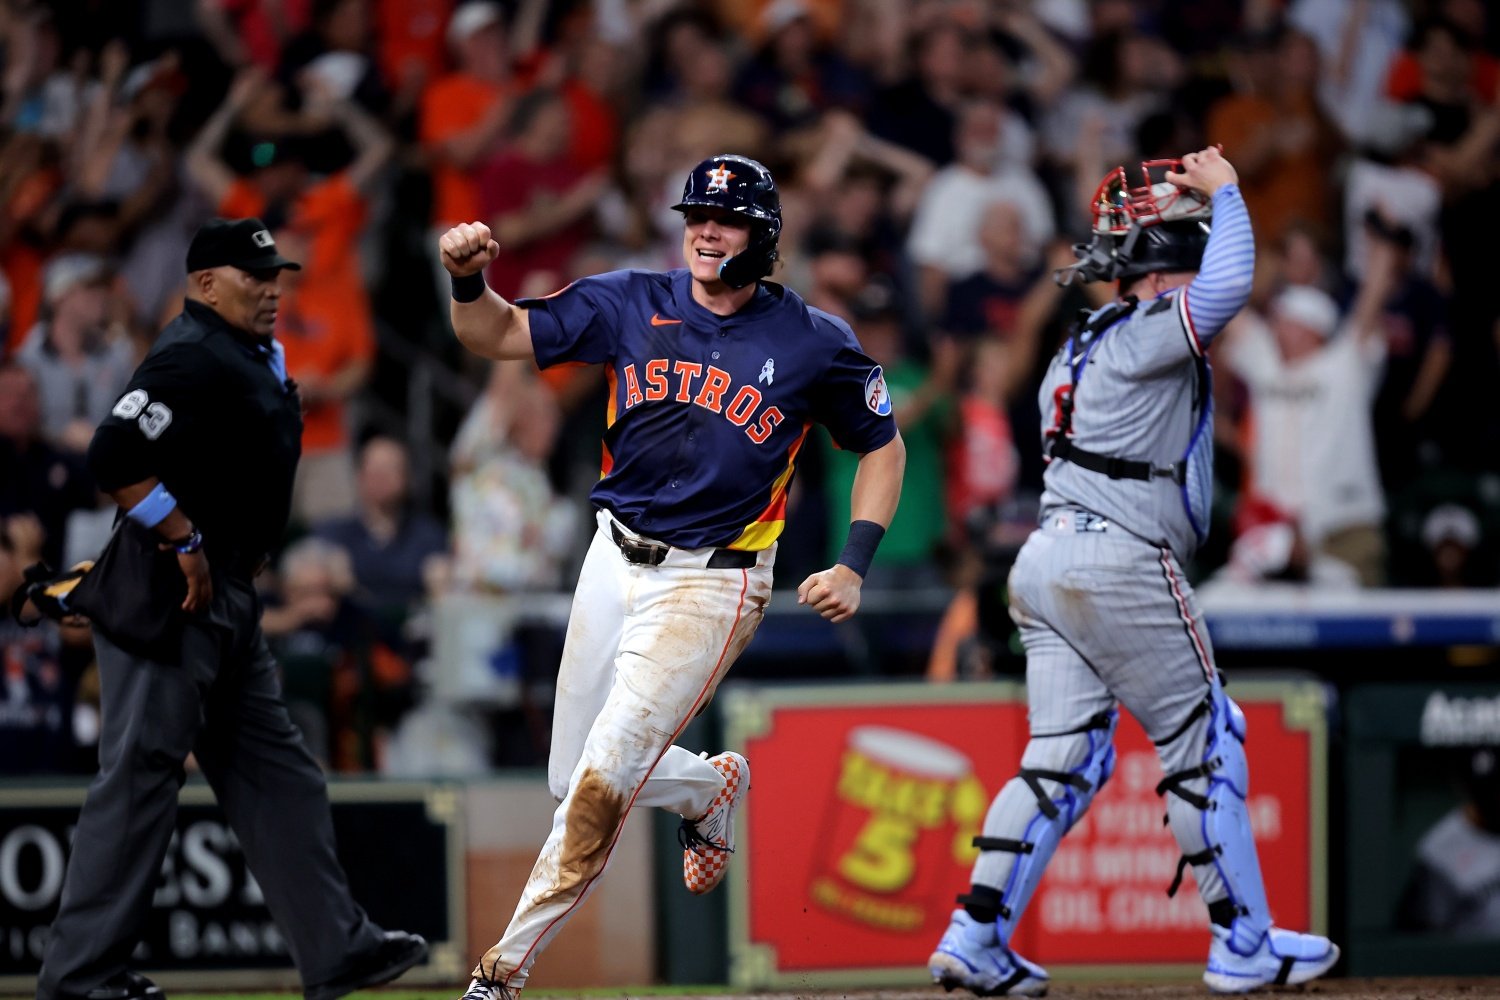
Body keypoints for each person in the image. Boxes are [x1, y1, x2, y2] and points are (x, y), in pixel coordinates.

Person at [440, 153, 906, 998]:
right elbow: (497, 335)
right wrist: (470, 284)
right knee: (568, 774)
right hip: (613, 552)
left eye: (723, 219)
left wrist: (853, 560)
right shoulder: (629, 300)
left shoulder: (811, 340)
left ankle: (499, 976)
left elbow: (882, 445)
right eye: (695, 216)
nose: (704, 231)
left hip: (714, 578)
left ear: (762, 236)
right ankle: (708, 784)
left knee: (600, 781)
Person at [925, 148, 1339, 996]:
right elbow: (1223, 290)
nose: (1197, 263)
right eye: (1185, 251)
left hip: (1046, 564)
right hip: (1118, 559)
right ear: (1163, 270)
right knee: (1206, 740)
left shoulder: (1077, 345)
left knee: (1061, 759)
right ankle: (1243, 942)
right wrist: (1229, 196)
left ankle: (975, 933)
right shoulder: (1153, 327)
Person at [36, 218, 425, 1000]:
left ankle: (336, 948)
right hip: (171, 592)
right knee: (141, 777)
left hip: (229, 599)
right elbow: (113, 455)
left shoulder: (243, 353)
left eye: (275, 274)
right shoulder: (188, 354)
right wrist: (181, 537)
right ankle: (81, 976)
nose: (272, 288)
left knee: (282, 775)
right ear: (205, 282)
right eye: (254, 277)